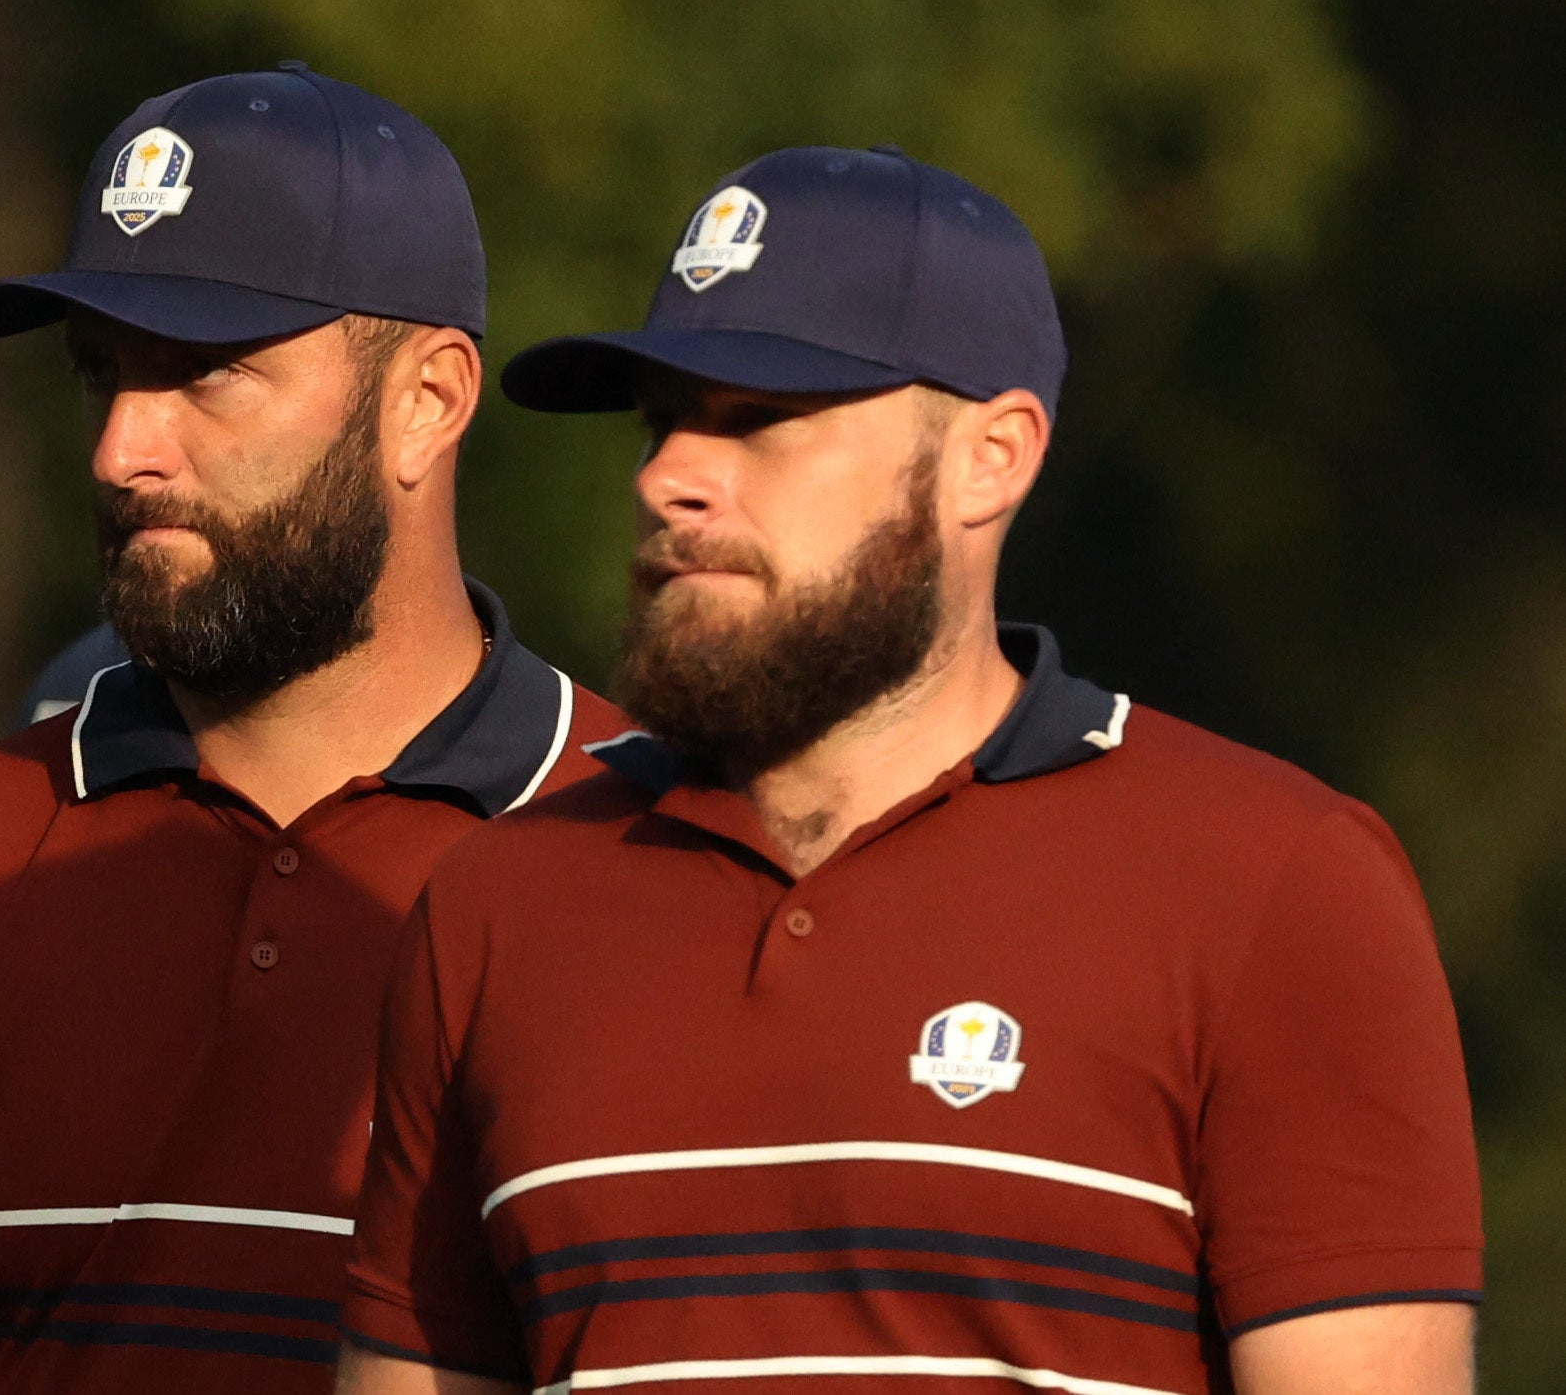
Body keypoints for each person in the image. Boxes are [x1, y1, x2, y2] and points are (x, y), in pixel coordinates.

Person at [336, 147, 1482, 1395]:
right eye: (662, 421)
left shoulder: (1274, 882)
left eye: (758, 418)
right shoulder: (499, 903)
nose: (665, 477)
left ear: (990, 456)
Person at [0, 65, 625, 1395]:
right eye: (101, 372)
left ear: (425, 399)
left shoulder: (655, 857)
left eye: (206, 374)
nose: (121, 449)